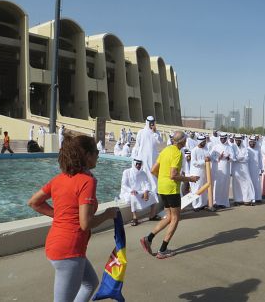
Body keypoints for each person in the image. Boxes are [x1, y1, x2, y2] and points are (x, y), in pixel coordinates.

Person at [27, 134, 118, 301]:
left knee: (90, 282)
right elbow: (85, 224)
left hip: (56, 244)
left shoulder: (59, 179)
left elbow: (34, 202)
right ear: (87, 155)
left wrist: (60, 215)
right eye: (96, 151)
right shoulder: (86, 181)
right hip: (69, 250)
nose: (98, 155)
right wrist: (107, 215)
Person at [140, 131, 199, 259]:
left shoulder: (165, 150)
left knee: (168, 217)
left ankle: (148, 238)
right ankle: (162, 250)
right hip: (172, 190)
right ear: (182, 141)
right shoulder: (177, 153)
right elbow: (173, 175)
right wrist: (190, 179)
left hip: (162, 187)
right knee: (176, 218)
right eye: (185, 140)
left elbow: (153, 170)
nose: (186, 141)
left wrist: (162, 179)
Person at [120, 158, 160, 226]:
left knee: (153, 194)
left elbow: (147, 184)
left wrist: (146, 192)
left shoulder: (143, 173)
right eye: (137, 164)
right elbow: (124, 185)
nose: (139, 165)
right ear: (134, 164)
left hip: (139, 192)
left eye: (140, 164)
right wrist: (131, 190)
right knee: (133, 196)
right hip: (128, 193)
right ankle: (135, 218)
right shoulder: (127, 172)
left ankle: (152, 215)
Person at [131, 116, 163, 192]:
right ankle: (143, 189)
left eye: (153, 123)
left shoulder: (157, 133)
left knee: (152, 174)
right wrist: (136, 156)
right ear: (147, 122)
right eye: (150, 123)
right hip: (142, 157)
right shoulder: (141, 132)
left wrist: (155, 132)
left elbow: (160, 142)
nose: (151, 124)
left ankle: (154, 191)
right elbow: (137, 145)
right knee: (142, 172)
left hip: (153, 157)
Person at [210, 132, 234, 208]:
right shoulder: (215, 146)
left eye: (224, 138)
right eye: (221, 138)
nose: (223, 140)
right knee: (217, 184)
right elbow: (211, 157)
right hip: (217, 168)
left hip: (226, 168)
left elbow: (233, 158)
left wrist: (228, 158)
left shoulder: (229, 147)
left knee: (225, 184)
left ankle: (223, 202)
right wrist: (218, 158)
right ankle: (215, 202)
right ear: (220, 138)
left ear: (226, 139)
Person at [189, 135, 212, 211]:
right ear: (199, 142)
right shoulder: (194, 150)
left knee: (204, 188)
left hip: (204, 172)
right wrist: (204, 161)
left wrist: (209, 158)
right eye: (203, 142)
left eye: (205, 142)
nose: (204, 143)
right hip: (196, 172)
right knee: (196, 189)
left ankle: (202, 204)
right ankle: (195, 205)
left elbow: (208, 157)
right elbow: (194, 163)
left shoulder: (206, 149)